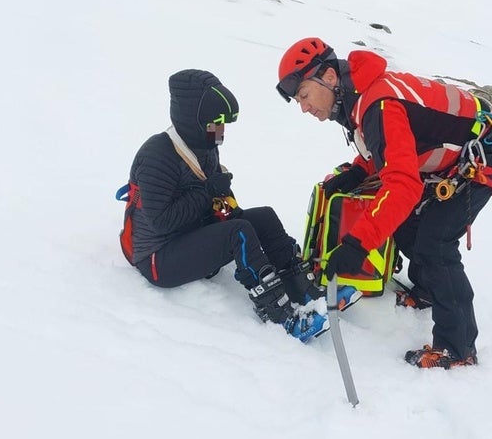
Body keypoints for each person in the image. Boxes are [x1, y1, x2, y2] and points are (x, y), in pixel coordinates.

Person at [275, 38, 492, 367]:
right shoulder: (360, 100)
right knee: (406, 222)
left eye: (303, 95)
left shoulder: (378, 104)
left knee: (436, 243)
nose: (303, 107)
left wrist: (357, 244)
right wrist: (360, 171)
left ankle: (457, 348)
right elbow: (392, 148)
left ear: (329, 78)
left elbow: (402, 185)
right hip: (455, 154)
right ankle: (429, 289)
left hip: (485, 148)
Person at [118, 69, 361, 343]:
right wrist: (208, 192)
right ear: (193, 120)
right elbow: (162, 221)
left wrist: (225, 202)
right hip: (157, 259)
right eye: (216, 123)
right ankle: (281, 316)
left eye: (223, 124)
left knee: (263, 218)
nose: (221, 131)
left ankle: (303, 290)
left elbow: (218, 202)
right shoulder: (157, 155)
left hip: (189, 236)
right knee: (239, 232)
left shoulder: (205, 146)